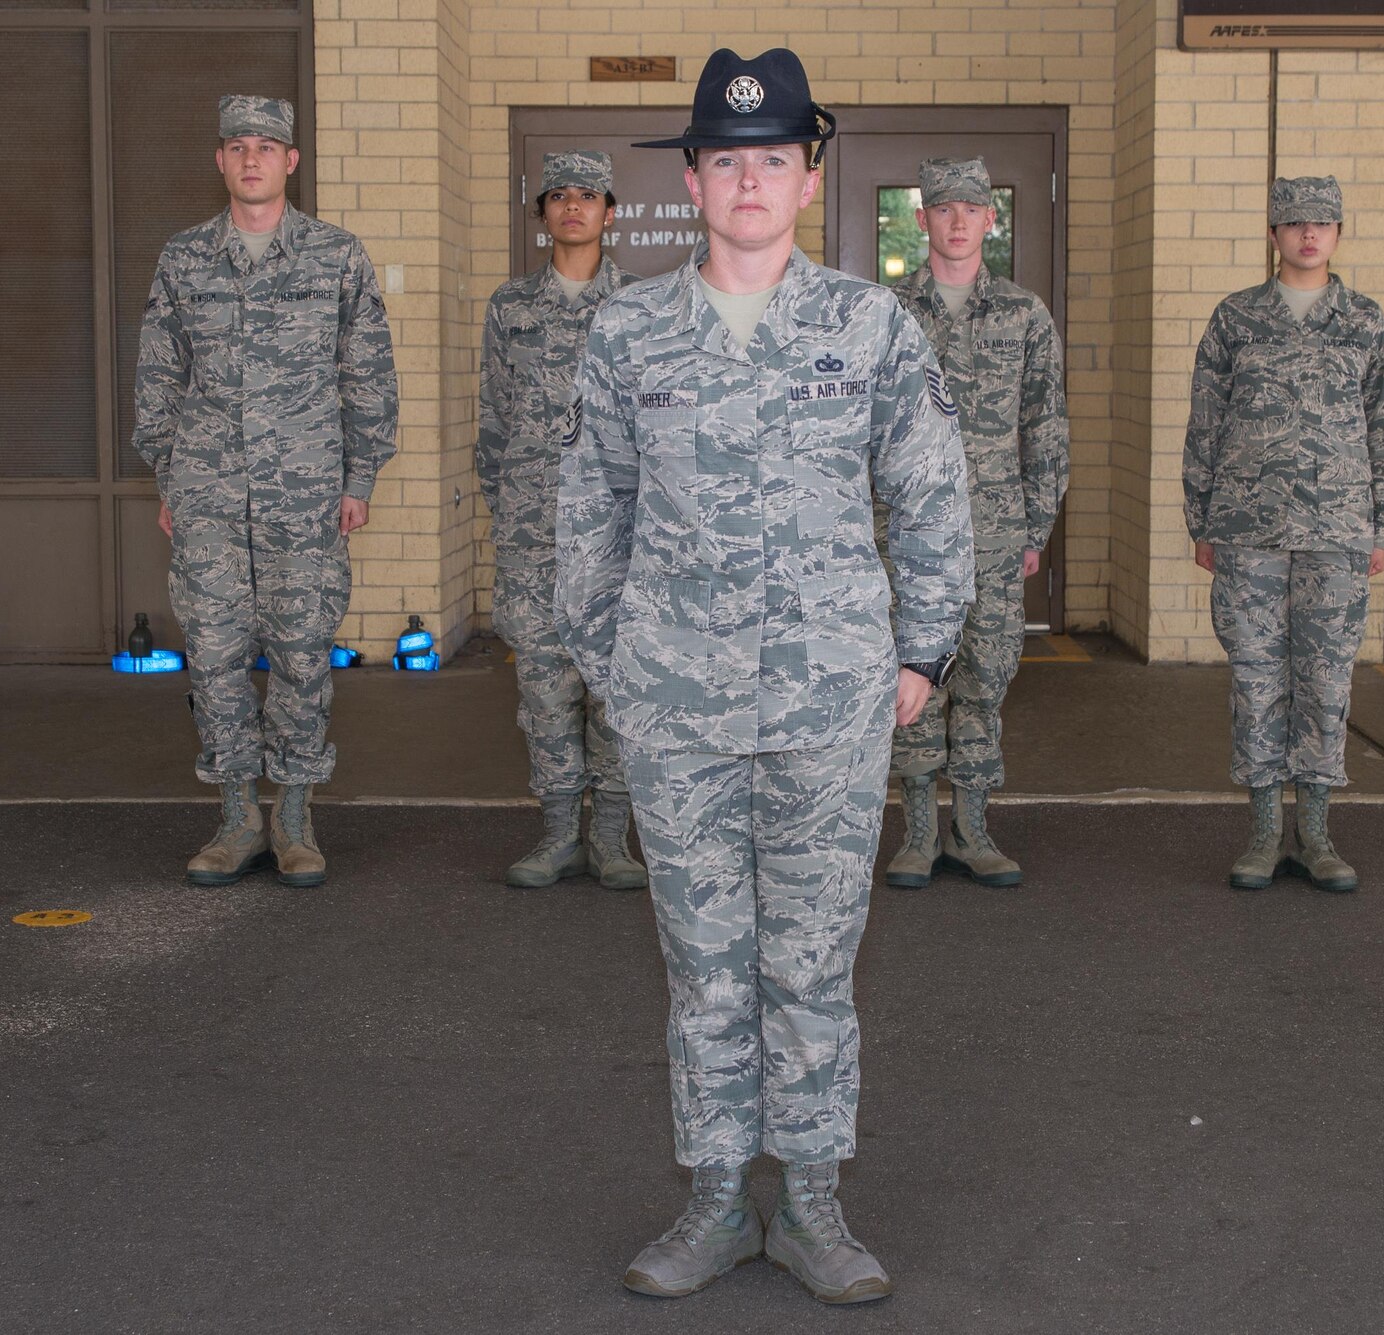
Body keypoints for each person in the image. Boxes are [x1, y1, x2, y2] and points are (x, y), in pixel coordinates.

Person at [555, 48, 974, 1305]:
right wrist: (610, 664)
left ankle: (810, 1203)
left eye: (772, 160)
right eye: (726, 160)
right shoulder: (627, 330)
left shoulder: (868, 324)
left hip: (827, 704)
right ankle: (713, 1200)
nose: (749, 180)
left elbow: (933, 488)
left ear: (806, 178)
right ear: (694, 178)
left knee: (810, 958)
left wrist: (921, 648)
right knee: (701, 962)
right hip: (676, 703)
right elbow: (587, 510)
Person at [132, 95, 398, 889]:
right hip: (208, 495)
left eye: (267, 146)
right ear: (220, 160)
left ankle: (294, 816)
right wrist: (168, 474)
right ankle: (237, 815)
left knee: (301, 655)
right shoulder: (182, 259)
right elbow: (158, 376)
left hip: (305, 493)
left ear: (291, 161)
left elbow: (368, 375)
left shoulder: (337, 257)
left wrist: (359, 477)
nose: (252, 158)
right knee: (213, 657)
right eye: (238, 145)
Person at [1182, 175, 1384, 893]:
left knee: (1324, 680)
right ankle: (1260, 832)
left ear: (1338, 233)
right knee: (1255, 679)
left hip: (1338, 534)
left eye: (1322, 223)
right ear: (1273, 234)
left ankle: (1314, 831)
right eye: (1294, 223)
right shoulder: (1236, 320)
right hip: (1247, 533)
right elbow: (1205, 425)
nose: (1309, 234)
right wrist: (1203, 516)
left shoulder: (1365, 323)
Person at [884, 157, 1069, 890]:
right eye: (943, 209)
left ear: (991, 220)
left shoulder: (1024, 315)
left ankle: (974, 827)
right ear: (922, 219)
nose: (957, 221)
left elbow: (1045, 424)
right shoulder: (890, 314)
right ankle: (920, 831)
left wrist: (1035, 526)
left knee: (987, 675)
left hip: (994, 532)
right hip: (907, 534)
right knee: (914, 678)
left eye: (972, 209)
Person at [477, 151, 646, 890]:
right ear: (540, 212)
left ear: (611, 212)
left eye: (588, 195)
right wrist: (511, 506)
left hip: (623, 539)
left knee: (615, 689)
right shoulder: (510, 307)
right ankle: (555, 835)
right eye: (558, 196)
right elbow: (493, 425)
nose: (572, 206)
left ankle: (611, 840)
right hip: (531, 537)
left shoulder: (646, 308)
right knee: (544, 691)